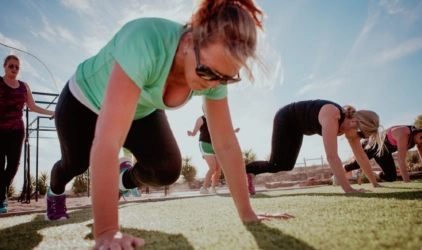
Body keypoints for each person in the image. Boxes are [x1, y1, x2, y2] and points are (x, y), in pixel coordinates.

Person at [46, 1, 293, 249]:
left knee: (166, 169)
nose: (215, 86)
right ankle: (55, 190)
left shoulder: (213, 74)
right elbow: (108, 141)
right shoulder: (144, 41)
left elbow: (226, 144)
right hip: (82, 102)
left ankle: (122, 182)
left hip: (140, 111)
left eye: (227, 77)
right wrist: (107, 231)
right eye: (209, 73)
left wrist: (247, 212)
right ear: (188, 42)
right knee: (75, 164)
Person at [246, 99, 387, 195]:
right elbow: (331, 156)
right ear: (356, 121)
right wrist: (348, 189)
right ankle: (242, 171)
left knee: (287, 165)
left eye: (364, 137)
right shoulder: (333, 115)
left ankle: (247, 173)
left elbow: (361, 156)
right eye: (361, 134)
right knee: (275, 164)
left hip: (297, 128)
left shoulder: (350, 127)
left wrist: (375, 183)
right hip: (286, 117)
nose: (359, 138)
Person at [0, 55, 55, 213]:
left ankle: (1, 195)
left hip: (17, 131)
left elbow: (33, 106)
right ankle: (2, 199)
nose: (14, 69)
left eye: (17, 67)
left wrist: (53, 112)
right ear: (4, 66)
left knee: (13, 166)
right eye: (11, 66)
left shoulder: (24, 86)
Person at [187, 106, 240, 194]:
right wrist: (191, 133)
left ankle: (213, 188)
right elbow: (194, 132)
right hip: (204, 144)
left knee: (218, 169)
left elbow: (223, 132)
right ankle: (203, 188)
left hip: (216, 145)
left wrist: (233, 131)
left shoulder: (216, 119)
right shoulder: (201, 119)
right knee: (212, 167)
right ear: (203, 109)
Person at [344, 125, 422, 182]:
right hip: (373, 144)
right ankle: (340, 173)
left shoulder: (417, 138)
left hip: (384, 152)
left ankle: (376, 174)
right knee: (356, 164)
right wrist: (407, 181)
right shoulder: (404, 134)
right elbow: (401, 160)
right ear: (420, 135)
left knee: (391, 177)